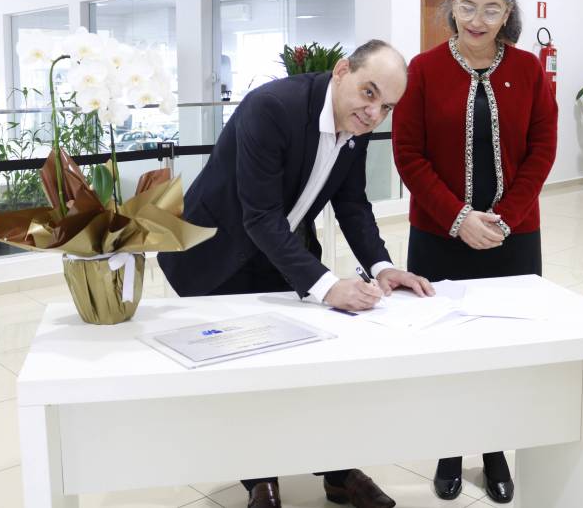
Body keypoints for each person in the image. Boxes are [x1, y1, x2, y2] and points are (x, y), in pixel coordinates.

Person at [159, 39, 433, 508]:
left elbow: (352, 203)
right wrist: (329, 286)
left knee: (311, 366)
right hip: (215, 254)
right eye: (369, 93)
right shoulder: (271, 107)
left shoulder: (357, 124)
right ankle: (260, 481)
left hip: (279, 250)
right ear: (342, 71)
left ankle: (338, 473)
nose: (374, 114)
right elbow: (260, 217)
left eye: (387, 106)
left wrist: (383, 267)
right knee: (245, 376)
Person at [392, 0, 558, 504]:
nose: (477, 20)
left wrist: (504, 217)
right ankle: (447, 449)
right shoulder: (422, 70)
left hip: (514, 236)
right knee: (445, 345)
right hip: (439, 237)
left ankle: (494, 450)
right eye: (467, 6)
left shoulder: (530, 71)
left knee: (504, 345)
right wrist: (458, 218)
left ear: (508, 13)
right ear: (452, 6)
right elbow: (408, 155)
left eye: (491, 9)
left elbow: (542, 151)